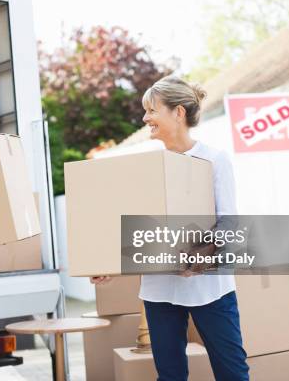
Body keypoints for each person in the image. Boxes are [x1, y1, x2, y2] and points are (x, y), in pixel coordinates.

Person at [92, 76, 249, 381]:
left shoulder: (214, 160)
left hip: (210, 289)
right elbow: (132, 226)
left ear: (178, 112)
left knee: (232, 372)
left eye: (152, 110)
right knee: (170, 376)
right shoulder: (148, 167)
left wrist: (201, 257)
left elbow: (229, 222)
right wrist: (105, 264)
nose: (145, 118)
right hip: (159, 288)